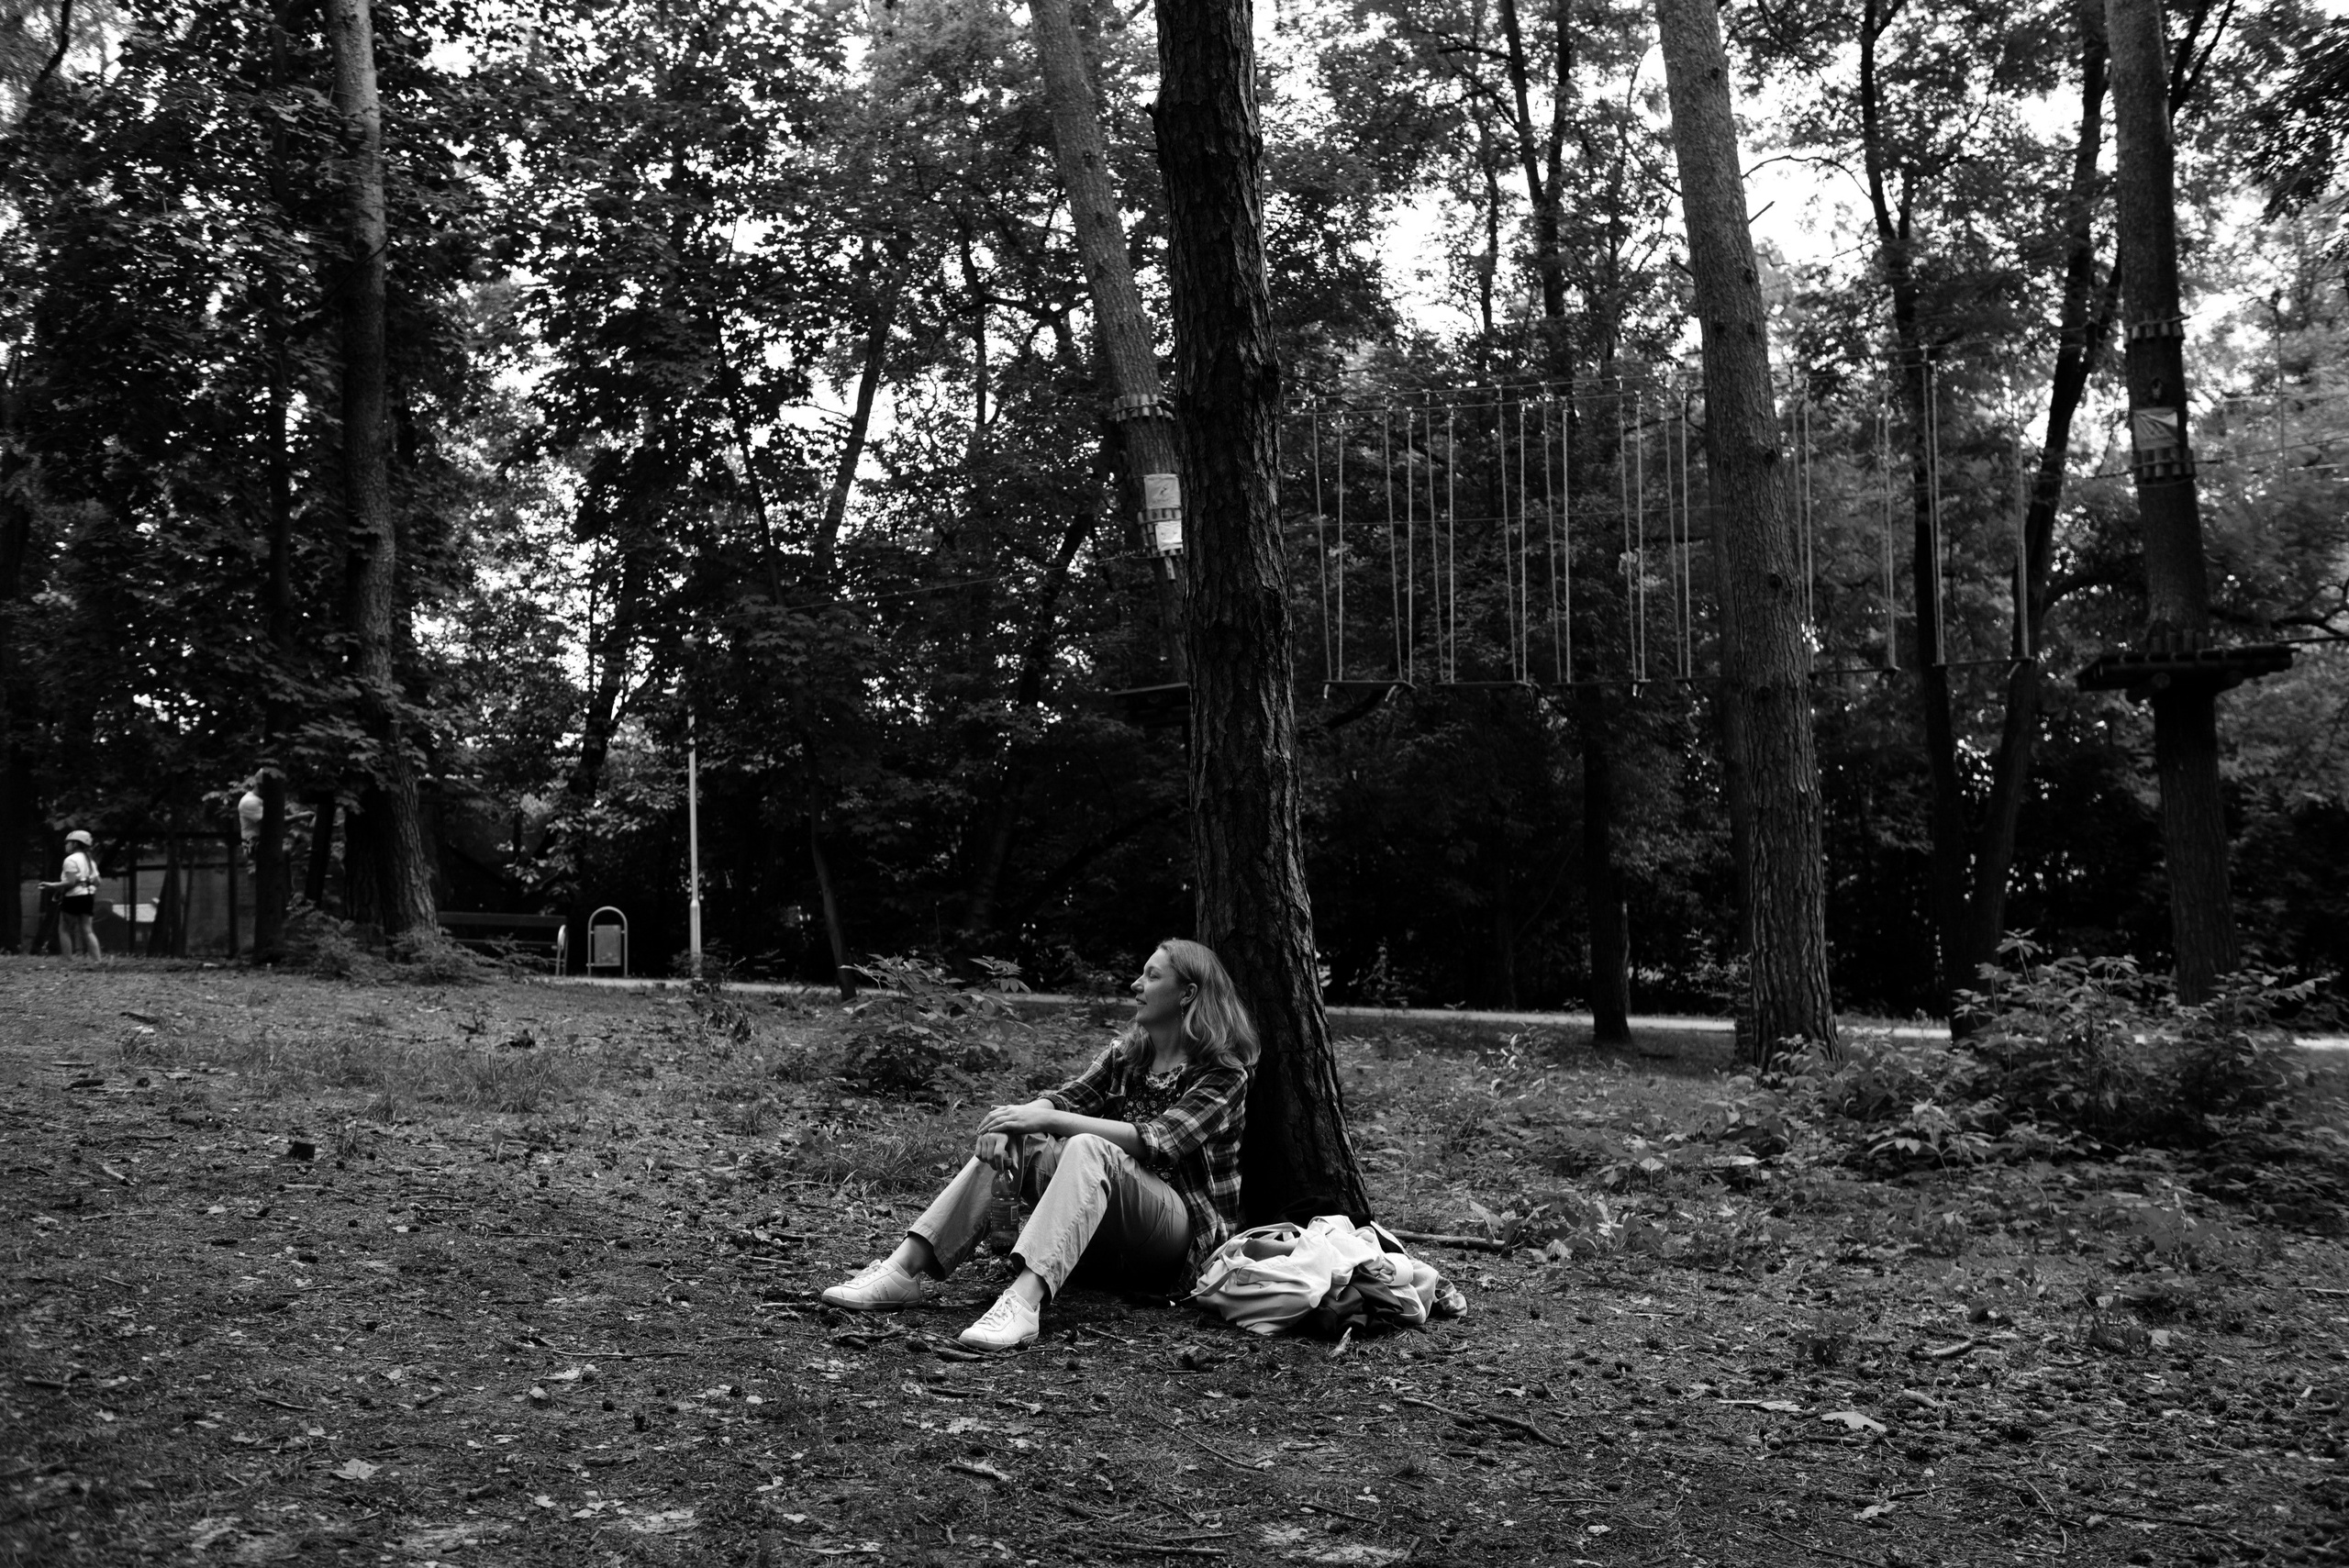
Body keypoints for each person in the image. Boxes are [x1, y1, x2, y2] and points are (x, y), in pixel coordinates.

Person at [821, 939, 1256, 1350]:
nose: (1136, 985)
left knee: (1088, 1145)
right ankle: (903, 1269)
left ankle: (1023, 1302)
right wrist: (1010, 1124)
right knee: (1030, 1138)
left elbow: (1159, 1141)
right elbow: (1066, 1098)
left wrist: (1046, 1117)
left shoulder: (1222, 1071)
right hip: (1102, 1238)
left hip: (1172, 1246)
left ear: (1188, 993)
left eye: (1152, 976)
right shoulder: (1127, 1054)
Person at [39, 828, 104, 960]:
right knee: (87, 929)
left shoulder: (70, 860)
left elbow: (70, 882)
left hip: (73, 897)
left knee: (64, 928)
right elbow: (98, 881)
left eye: (68, 842)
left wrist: (52, 885)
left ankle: (68, 959)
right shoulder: (90, 861)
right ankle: (97, 960)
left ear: (75, 843)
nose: (66, 845)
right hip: (88, 897)